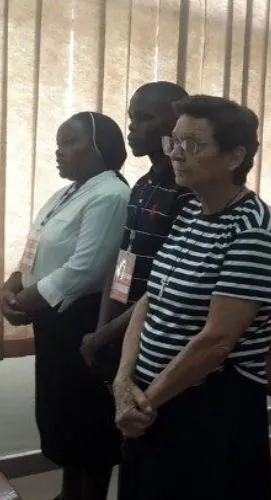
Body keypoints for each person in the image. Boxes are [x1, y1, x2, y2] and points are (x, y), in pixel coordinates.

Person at [113, 95, 271, 499]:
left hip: (210, 408)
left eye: (192, 144)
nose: (176, 153)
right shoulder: (192, 211)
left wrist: (145, 403)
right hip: (157, 399)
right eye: (173, 141)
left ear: (234, 157)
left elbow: (217, 341)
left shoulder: (253, 229)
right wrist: (124, 380)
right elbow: (150, 300)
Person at [0, 112, 130, 500]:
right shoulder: (68, 193)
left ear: (101, 147)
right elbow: (34, 247)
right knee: (60, 414)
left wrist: (24, 300)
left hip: (82, 321)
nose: (59, 151)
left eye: (70, 141)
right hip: (51, 319)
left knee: (87, 420)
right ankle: (68, 492)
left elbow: (86, 269)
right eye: (58, 142)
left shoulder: (112, 195)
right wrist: (10, 285)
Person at [81, 81, 191, 380]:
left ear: (176, 124)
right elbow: (123, 261)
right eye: (131, 117)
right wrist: (104, 327)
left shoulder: (187, 190)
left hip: (160, 336)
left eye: (144, 118)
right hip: (121, 329)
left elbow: (170, 283)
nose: (131, 127)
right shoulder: (143, 185)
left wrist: (107, 333)